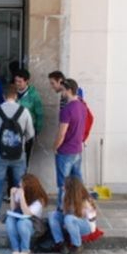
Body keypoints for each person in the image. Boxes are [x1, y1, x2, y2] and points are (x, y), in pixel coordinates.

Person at [0, 84, 35, 221]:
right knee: (21, 184)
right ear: (16, 96)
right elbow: (30, 133)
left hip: (1, 153)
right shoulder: (24, 111)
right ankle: (21, 212)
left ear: (3, 96)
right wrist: (21, 141)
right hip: (19, 154)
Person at [53, 78, 87, 212]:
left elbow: (62, 133)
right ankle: (81, 208)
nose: (61, 93)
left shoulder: (66, 110)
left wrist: (55, 147)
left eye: (62, 90)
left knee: (63, 185)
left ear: (69, 90)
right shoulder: (82, 107)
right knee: (77, 183)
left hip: (65, 151)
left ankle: (61, 211)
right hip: (77, 149)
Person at [49, 176, 98, 254]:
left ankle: (77, 245)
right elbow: (62, 211)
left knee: (69, 218)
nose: (62, 187)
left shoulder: (85, 200)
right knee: (53, 215)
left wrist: (70, 218)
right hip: (69, 222)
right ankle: (61, 243)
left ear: (71, 189)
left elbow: (91, 220)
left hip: (86, 226)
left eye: (65, 186)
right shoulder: (65, 195)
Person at [6, 174, 48, 254]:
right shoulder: (20, 192)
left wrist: (22, 197)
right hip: (19, 220)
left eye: (22, 183)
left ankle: (25, 249)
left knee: (22, 222)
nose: (19, 185)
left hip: (32, 226)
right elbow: (13, 209)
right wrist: (12, 195)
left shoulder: (39, 200)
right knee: (9, 219)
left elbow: (27, 213)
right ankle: (15, 248)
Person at [13, 69, 44, 166]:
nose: (17, 84)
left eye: (20, 81)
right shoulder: (12, 92)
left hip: (27, 131)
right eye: (16, 81)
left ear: (26, 81)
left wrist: (37, 130)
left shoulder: (34, 95)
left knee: (25, 158)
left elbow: (39, 114)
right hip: (12, 130)